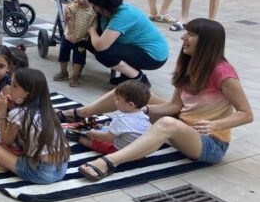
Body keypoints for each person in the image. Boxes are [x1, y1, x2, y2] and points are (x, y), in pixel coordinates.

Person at [77, 18, 253, 181]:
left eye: (191, 34)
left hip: (210, 144)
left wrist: (216, 125)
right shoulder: (187, 63)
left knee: (167, 123)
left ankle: (109, 161)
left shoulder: (224, 74)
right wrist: (144, 109)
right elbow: (174, 106)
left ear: (207, 42)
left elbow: (246, 114)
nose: (183, 37)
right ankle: (78, 113)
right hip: (182, 124)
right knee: (129, 89)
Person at [0, 68, 69, 184]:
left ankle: (3, 164)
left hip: (41, 173)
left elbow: (6, 140)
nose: (10, 89)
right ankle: (6, 160)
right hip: (61, 169)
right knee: (14, 141)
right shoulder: (48, 110)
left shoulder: (18, 113)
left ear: (27, 94)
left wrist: (2, 113)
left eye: (14, 86)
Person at [86, 0, 168, 87]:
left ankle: (139, 79)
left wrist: (91, 31)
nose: (92, 8)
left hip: (153, 56)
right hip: (138, 48)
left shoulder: (124, 15)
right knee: (90, 42)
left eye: (93, 6)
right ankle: (127, 77)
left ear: (99, 6)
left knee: (103, 53)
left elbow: (100, 46)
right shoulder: (111, 9)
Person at [66, 80, 151, 155]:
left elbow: (107, 138)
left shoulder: (121, 119)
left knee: (98, 143)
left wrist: (93, 134)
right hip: (139, 151)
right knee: (108, 130)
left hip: (121, 151)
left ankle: (77, 138)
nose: (114, 100)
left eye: (118, 99)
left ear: (130, 105)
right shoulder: (144, 116)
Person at [54, 0, 95, 87]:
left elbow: (94, 25)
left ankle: (75, 76)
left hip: (81, 40)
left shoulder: (94, 10)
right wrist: (71, 35)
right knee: (63, 55)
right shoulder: (74, 6)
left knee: (78, 59)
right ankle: (63, 72)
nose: (80, 0)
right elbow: (70, 21)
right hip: (68, 36)